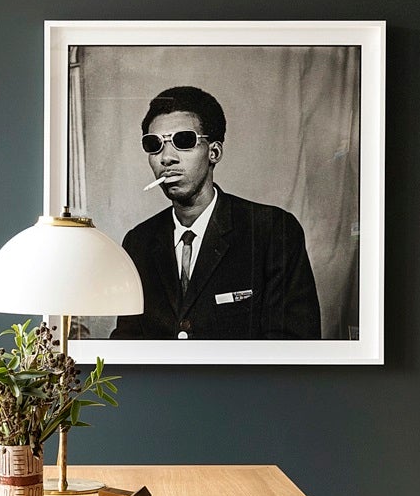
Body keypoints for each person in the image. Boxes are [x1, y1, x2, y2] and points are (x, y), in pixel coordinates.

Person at [111, 85, 322, 340]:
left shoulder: (272, 231)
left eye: (183, 141)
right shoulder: (139, 242)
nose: (166, 158)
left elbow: (293, 344)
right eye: (154, 145)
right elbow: (127, 343)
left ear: (214, 152)